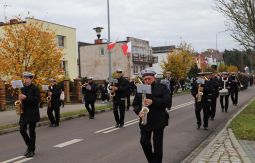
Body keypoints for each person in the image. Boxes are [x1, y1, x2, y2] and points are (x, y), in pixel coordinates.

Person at [133, 67, 170, 163]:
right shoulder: (140, 89)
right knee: (144, 142)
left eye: (149, 78)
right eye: (145, 79)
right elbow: (136, 103)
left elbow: (168, 102)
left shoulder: (162, 88)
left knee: (157, 145)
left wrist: (153, 101)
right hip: (145, 120)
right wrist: (138, 111)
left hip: (158, 119)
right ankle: (152, 161)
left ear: (154, 77)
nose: (147, 81)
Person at [19, 72, 41, 158]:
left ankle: (31, 150)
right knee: (22, 130)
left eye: (27, 78)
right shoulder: (22, 88)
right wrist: (20, 101)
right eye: (24, 78)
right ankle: (30, 146)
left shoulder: (35, 88)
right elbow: (21, 98)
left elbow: (37, 100)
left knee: (32, 131)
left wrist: (26, 98)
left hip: (32, 113)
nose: (25, 79)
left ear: (31, 79)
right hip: (24, 113)